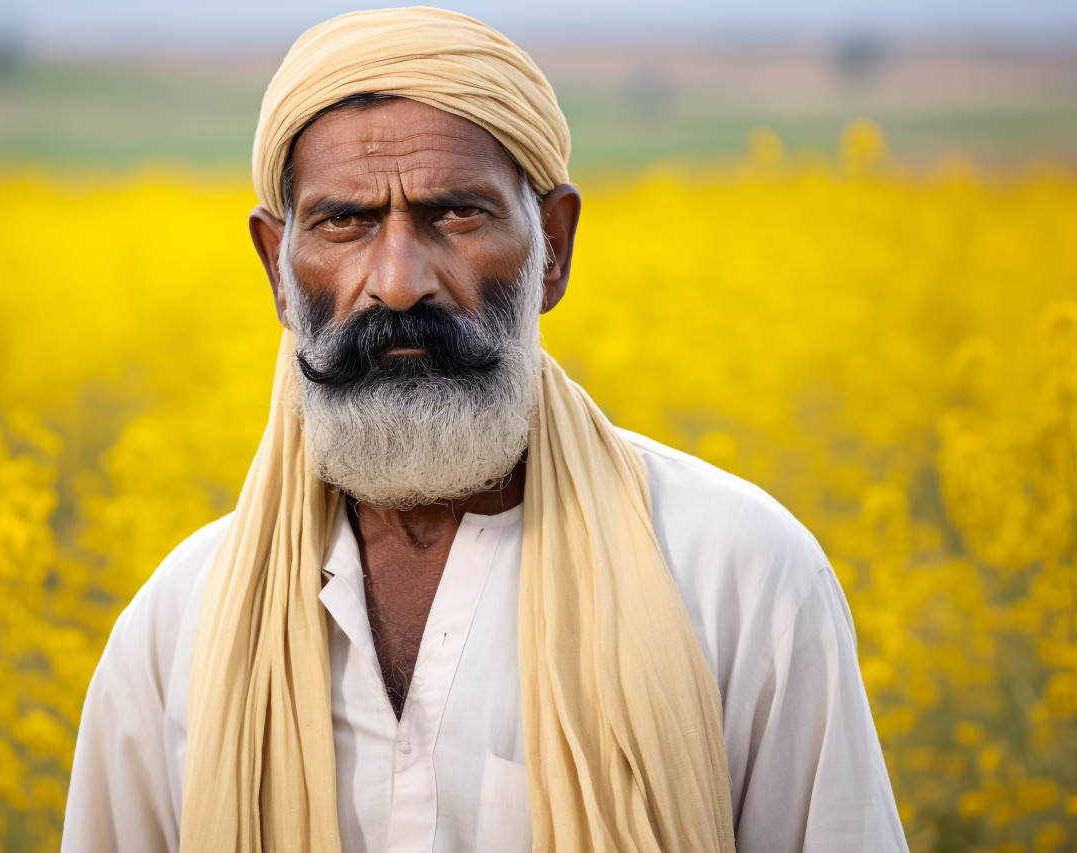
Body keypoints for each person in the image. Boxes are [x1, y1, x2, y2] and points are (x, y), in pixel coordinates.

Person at [61, 8, 908, 852]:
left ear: (554, 250)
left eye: (456, 215)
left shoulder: (739, 578)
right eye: (344, 221)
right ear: (277, 272)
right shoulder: (178, 627)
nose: (396, 283)